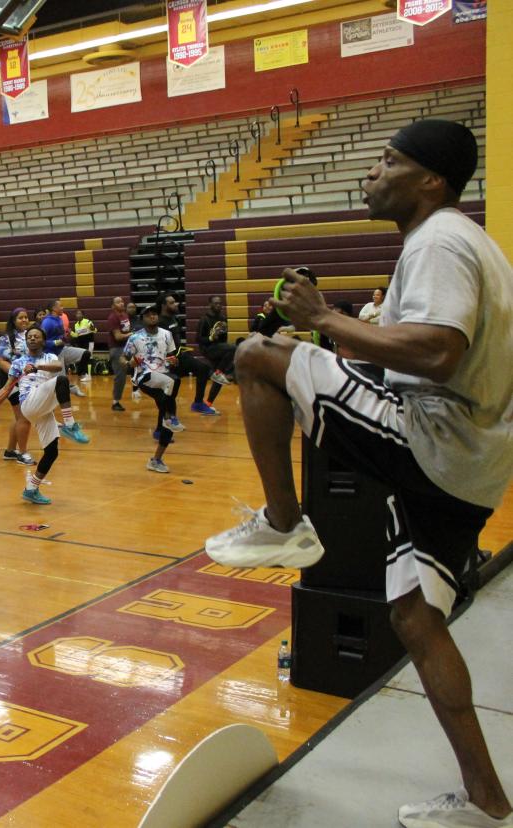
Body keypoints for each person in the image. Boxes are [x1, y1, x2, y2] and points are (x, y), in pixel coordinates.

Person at [206, 120, 512, 828]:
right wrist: (336, 328)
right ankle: (488, 803)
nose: (371, 173)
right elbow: (425, 351)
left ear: (430, 180)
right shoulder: (469, 243)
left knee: (256, 354)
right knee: (416, 618)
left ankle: (285, 523)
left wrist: (322, 323)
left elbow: (437, 353)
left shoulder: (438, 240)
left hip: (436, 438)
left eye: (388, 161)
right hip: (475, 467)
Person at [0, 326, 90, 504]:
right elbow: (7, 388)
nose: (32, 338)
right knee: (62, 381)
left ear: (43, 340)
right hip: (28, 403)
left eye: (36, 336)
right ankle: (70, 425)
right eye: (29, 337)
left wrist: (37, 367)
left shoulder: (50, 357)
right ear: (26, 341)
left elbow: (57, 367)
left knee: (52, 452)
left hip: (42, 408)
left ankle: (31, 489)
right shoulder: (19, 362)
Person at [124, 305, 185, 473]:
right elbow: (123, 360)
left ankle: (156, 460)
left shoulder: (167, 335)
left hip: (164, 377)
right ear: (142, 318)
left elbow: (172, 357)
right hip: (145, 377)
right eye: (148, 314)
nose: (152, 316)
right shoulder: (135, 337)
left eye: (155, 314)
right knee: (173, 383)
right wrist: (130, 363)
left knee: (169, 420)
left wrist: (174, 361)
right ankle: (168, 417)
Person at [159, 293, 227, 416]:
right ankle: (168, 414)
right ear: (163, 306)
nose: (176, 304)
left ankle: (197, 404)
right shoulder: (160, 322)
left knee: (201, 369)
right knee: (173, 387)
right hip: (170, 359)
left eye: (175, 302)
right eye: (172, 303)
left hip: (180, 356)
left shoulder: (174, 319)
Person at [0, 308, 33, 465]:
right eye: (20, 318)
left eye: (26, 317)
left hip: (27, 381)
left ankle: (10, 451)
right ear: (13, 321)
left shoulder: (31, 334)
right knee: (25, 417)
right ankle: (22, 453)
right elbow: (0, 359)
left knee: (19, 417)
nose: (24, 320)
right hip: (11, 381)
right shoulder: (7, 338)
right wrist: (15, 373)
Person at [40, 299, 86, 397]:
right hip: (52, 355)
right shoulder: (47, 322)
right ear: (53, 308)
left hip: (62, 350)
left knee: (86, 354)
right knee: (61, 382)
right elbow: (42, 342)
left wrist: (65, 337)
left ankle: (81, 374)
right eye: (60, 306)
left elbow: (60, 337)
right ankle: (70, 390)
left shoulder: (60, 319)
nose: (63, 308)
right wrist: (57, 342)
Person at [198, 295, 236, 381]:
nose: (218, 305)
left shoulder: (223, 318)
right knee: (234, 348)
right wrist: (211, 338)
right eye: (215, 303)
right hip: (207, 348)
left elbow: (224, 339)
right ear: (210, 305)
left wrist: (223, 332)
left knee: (233, 348)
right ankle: (220, 372)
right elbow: (199, 339)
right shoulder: (204, 319)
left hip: (218, 347)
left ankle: (215, 371)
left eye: (220, 303)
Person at [106, 296, 132, 411]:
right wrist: (131, 334)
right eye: (118, 302)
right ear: (113, 306)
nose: (121, 303)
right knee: (120, 377)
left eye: (122, 301)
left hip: (128, 347)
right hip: (117, 349)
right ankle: (115, 402)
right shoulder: (113, 318)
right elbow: (118, 336)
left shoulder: (125, 315)